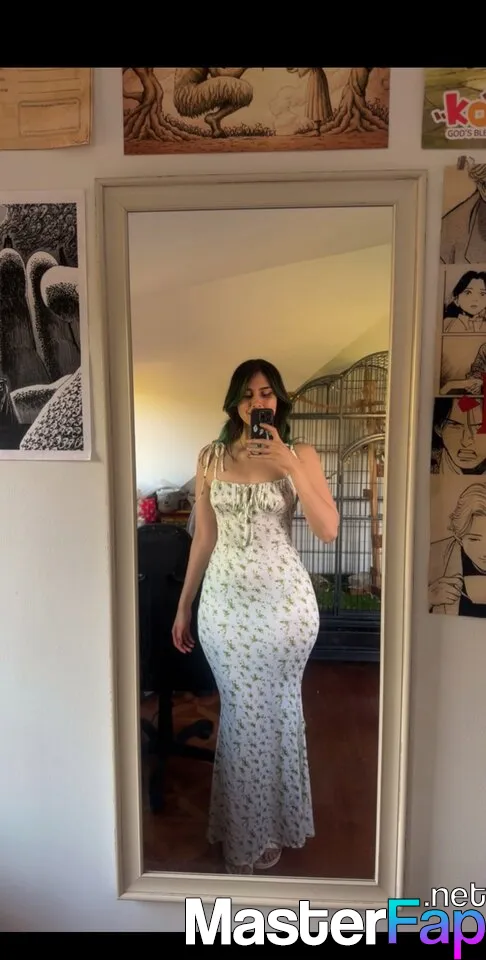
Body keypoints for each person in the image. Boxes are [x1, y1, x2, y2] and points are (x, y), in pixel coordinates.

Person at [171, 358, 339, 875]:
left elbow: (328, 529)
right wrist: (184, 603)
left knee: (279, 712)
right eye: (246, 394)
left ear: (278, 400)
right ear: (234, 403)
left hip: (284, 609)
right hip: (224, 608)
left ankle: (272, 825)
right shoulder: (211, 456)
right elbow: (204, 537)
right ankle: (247, 830)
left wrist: (290, 465)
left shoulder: (301, 455)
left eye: (265, 393)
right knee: (243, 715)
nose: (256, 402)